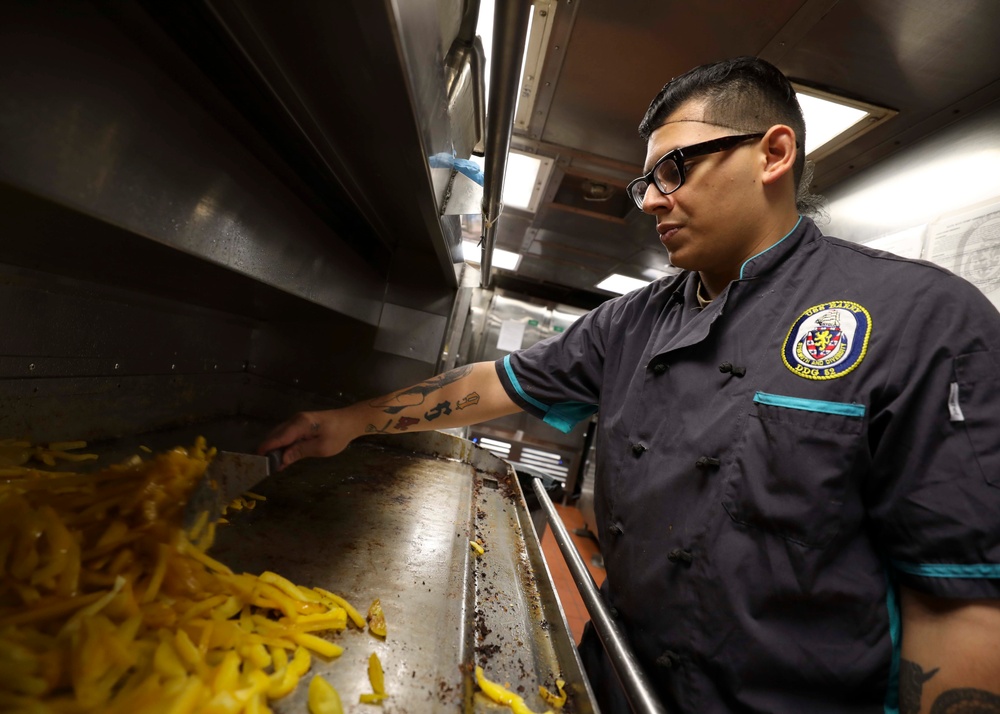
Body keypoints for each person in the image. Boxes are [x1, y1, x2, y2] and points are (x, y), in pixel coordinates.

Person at [260, 56, 1000, 713]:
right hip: (614, 678)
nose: (649, 199)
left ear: (773, 152)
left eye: (674, 170)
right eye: (646, 180)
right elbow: (500, 381)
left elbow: (959, 604)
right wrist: (352, 420)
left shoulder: (919, 318)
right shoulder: (630, 322)